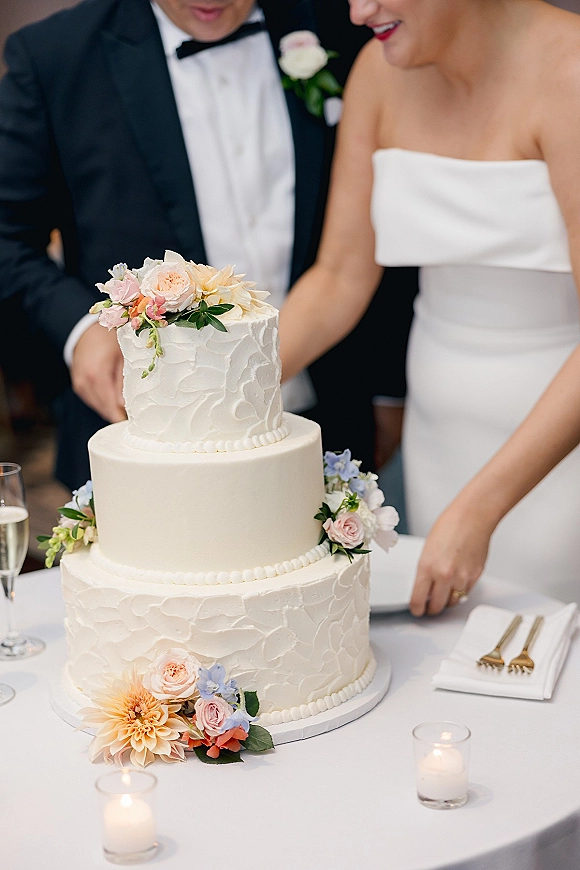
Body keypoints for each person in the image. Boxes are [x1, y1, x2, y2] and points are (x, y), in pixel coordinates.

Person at [0, 0, 418, 489]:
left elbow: (386, 216)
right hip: (147, 436)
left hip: (327, 415)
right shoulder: (57, 56)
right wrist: (80, 329)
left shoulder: (341, 22)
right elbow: (8, 238)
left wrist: (390, 390)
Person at [279, 0, 580, 612]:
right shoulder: (378, 70)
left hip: (557, 442)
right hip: (438, 429)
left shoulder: (570, 71)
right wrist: (217, 387)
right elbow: (339, 277)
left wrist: (480, 509)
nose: (359, 12)